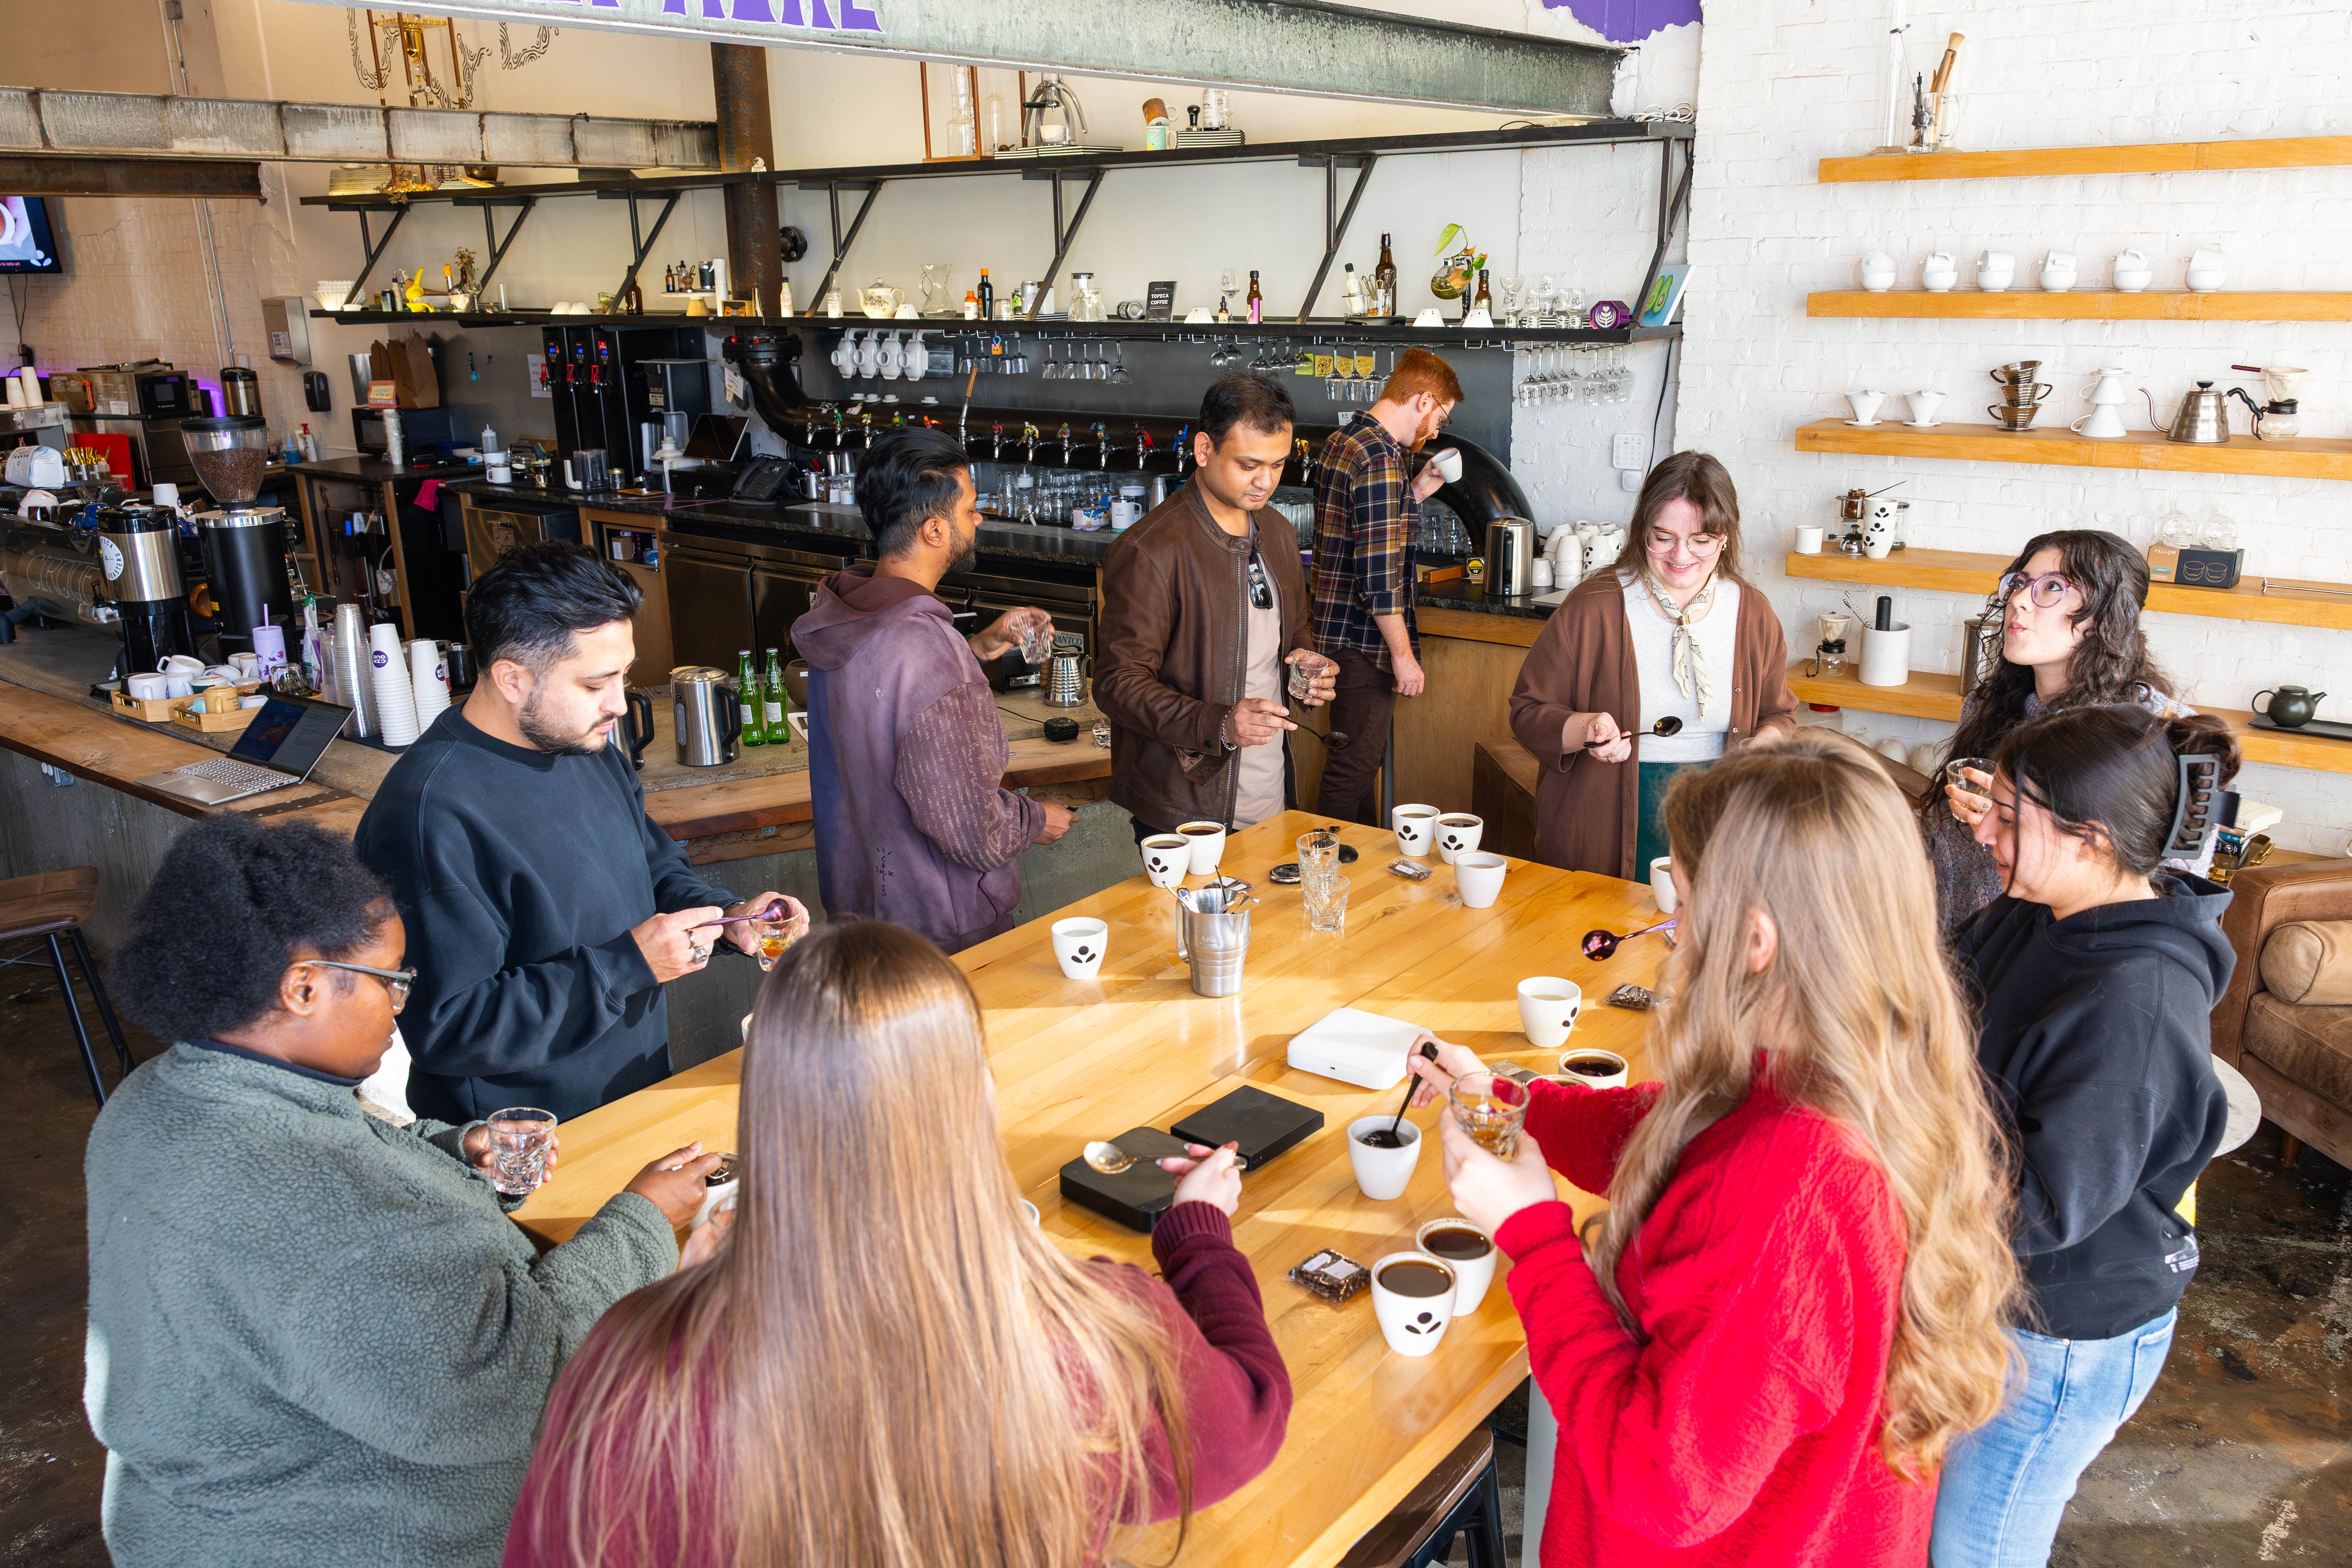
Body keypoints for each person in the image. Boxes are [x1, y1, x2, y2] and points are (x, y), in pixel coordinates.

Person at [1405, 731, 2019, 1566]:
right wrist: (1514, 1103)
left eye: (1686, 906)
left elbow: (1664, 1482)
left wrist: (1535, 1235)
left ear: (1754, 941)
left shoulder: (1791, 1189)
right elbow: (1690, 1126)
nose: (1671, 933)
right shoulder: (1851, 1080)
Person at [501, 921, 1292, 1568]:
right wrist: (1198, 1239)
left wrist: (681, 1303)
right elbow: (1244, 1432)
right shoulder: (1094, 1327)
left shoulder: (630, 1358)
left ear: (767, 1107)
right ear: (974, 1094)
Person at [84, 813, 721, 1568]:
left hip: (181, 1516)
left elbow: (353, 1145)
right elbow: (521, 1387)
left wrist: (456, 1152)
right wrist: (643, 1221)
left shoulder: (158, 1099)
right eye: (392, 980)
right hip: (347, 1539)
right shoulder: (335, 1215)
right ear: (304, 987)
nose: (402, 1005)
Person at [356, 541, 805, 1124]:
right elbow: (449, 1029)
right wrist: (628, 965)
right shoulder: (428, 815)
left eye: (623, 677)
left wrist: (731, 919)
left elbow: (654, 870)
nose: (619, 704)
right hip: (522, 1146)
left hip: (636, 1095)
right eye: (595, 685)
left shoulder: (583, 746)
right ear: (511, 678)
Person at [1932, 705, 2236, 1567]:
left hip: (2064, 1334)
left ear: (2091, 838)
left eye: (2008, 817)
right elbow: (1939, 994)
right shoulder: (2042, 910)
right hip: (1997, 1297)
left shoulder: (2133, 1003)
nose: (1983, 830)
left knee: (1976, 1551)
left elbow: (2038, 1207)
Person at [795, 426, 1076, 953]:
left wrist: (974, 650)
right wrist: (1036, 820)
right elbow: (970, 825)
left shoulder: (841, 617)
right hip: (942, 933)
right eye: (970, 509)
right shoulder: (927, 650)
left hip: (861, 916)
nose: (979, 519)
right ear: (933, 530)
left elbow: (886, 706)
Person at [1509, 452, 1796, 879]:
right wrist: (1586, 729)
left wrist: (1768, 741)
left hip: (1716, 817)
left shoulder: (1751, 612)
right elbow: (1528, 712)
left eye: (1701, 540)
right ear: (1641, 529)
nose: (1681, 556)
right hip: (1604, 821)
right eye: (1663, 537)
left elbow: (1780, 714)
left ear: (1726, 538)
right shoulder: (1595, 607)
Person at [1097, 373, 1334, 837]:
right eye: (1249, 465)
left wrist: (1306, 667)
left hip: (1271, 793)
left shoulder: (1280, 533)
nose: (1265, 482)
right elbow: (1116, 685)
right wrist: (1220, 724)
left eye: (1279, 465)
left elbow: (1294, 632)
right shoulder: (1150, 551)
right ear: (1204, 450)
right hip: (1185, 807)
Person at [1928, 529, 2201, 932]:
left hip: (2067, 953)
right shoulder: (1987, 707)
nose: (2019, 600)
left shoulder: (2160, 730)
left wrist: (2022, 825)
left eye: (2053, 587)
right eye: (2020, 582)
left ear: (2108, 614)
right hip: (1963, 940)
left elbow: (2181, 880)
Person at [1308, 347, 1458, 824]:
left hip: (1335, 632)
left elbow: (1362, 527)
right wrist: (1403, 656)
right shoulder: (1380, 457)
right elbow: (1378, 574)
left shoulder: (1346, 440)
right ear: (1423, 399)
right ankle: (1320, 872)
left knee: (1357, 766)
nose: (1437, 430)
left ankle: (1357, 871)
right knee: (1350, 771)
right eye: (1441, 416)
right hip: (1363, 643)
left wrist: (1415, 492)